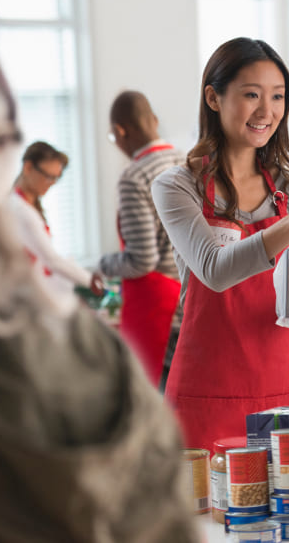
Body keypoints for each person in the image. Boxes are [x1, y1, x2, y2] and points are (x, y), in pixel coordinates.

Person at [0, 0, 199, 542]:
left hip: (147, 297)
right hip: (165, 301)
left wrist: (98, 268)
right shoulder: (95, 359)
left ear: (120, 132)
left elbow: (133, 258)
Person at [152, 37, 289, 452]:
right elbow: (215, 269)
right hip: (206, 389)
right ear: (213, 97)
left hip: (283, 384)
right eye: (251, 95)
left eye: (278, 97)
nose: (267, 111)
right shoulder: (177, 186)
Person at [98, 91, 186, 389]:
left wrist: (102, 266)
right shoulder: (186, 161)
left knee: (158, 405)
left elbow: (142, 259)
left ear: (120, 132)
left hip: (159, 309)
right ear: (155, 121)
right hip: (189, 300)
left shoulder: (134, 177)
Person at [10, 140, 104, 297]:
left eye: (56, 178)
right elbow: (51, 260)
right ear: (28, 168)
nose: (52, 183)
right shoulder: (19, 208)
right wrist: (89, 280)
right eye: (48, 176)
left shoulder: (30, 205)